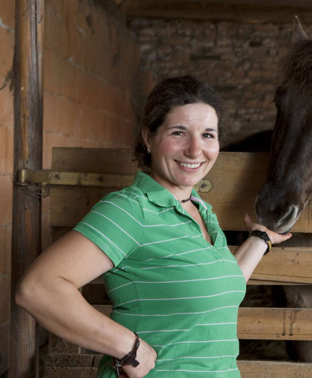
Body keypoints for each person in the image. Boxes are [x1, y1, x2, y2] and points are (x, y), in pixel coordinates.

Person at [16, 76, 292, 377]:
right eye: (179, 132)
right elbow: (38, 288)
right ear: (148, 138)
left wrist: (260, 239)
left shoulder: (201, 210)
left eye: (208, 135)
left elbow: (215, 284)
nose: (195, 149)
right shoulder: (131, 210)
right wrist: (128, 347)